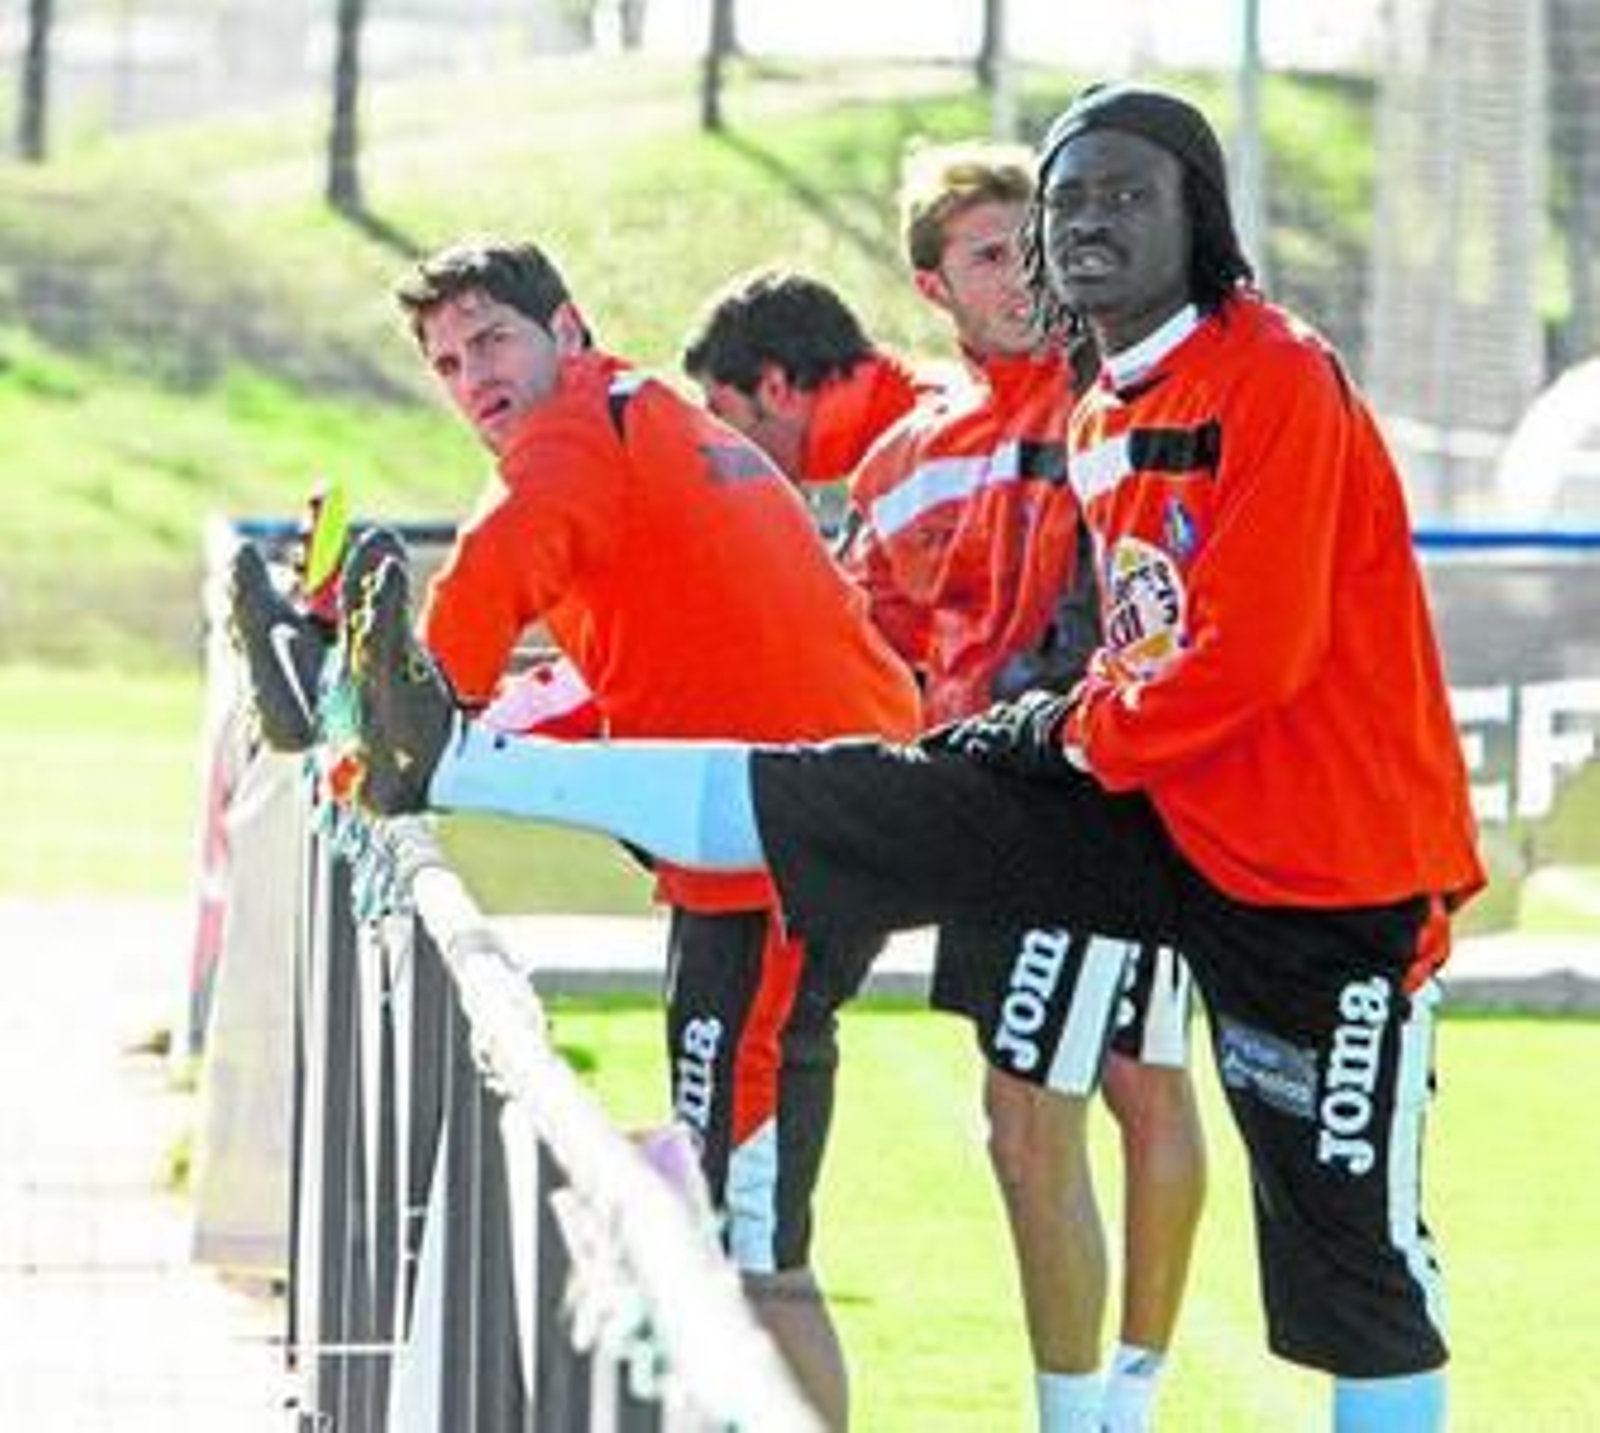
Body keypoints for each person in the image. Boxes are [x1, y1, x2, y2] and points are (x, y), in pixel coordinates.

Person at [331, 84, 1484, 1433]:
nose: (1091, 221)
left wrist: (1067, 726)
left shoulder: (1274, 373)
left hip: (1323, 870)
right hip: (1156, 802)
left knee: (1351, 1263)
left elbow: (1250, 656)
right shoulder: (1105, 406)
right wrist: (1046, 729)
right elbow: (1139, 640)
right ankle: (455, 763)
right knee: (837, 804)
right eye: (1067, 204)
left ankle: (1125, 1395)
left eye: (1128, 192)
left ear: (1199, 215)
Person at [235, 237, 922, 1430]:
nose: (474, 378)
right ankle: (342, 710)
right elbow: (592, 674)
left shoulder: (571, 440)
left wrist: (381, 711)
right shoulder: (637, 413)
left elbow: (446, 663)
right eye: (448, 362)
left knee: (740, 1247)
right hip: (809, 826)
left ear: (566, 326)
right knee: (737, 1230)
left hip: (775, 854)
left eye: (492, 339)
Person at [697, 142, 1206, 1431]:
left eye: (1029, 238)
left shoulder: (1113, 389)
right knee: (1055, 1108)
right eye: (988, 252)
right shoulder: (905, 458)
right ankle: (1100, 1401)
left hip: (1099, 797)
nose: (1023, 268)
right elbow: (864, 637)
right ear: (935, 288)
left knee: (1082, 1101)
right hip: (972, 802)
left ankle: (1107, 1400)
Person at [681, 266, 929, 531]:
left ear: (777, 388)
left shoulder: (921, 455)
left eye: (718, 414)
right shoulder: (891, 436)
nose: (714, 442)